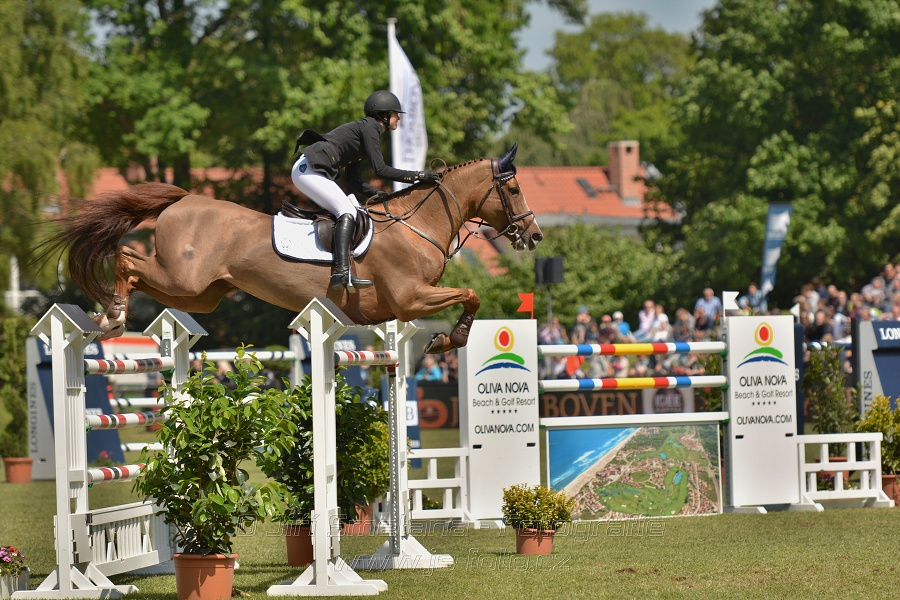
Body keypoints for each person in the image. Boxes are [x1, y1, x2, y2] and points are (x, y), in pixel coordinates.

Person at [291, 90, 441, 291]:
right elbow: (380, 170)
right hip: (308, 170)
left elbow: (353, 180)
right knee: (347, 211)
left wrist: (379, 195)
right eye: (396, 114)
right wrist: (420, 176)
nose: (398, 118)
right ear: (384, 115)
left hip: (309, 170)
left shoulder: (366, 131)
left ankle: (342, 269)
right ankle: (342, 272)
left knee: (351, 210)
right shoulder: (371, 127)